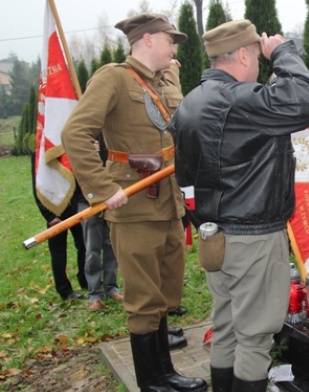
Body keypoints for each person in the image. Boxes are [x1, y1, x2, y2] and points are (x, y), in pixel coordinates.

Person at [169, 19, 309, 392]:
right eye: (256, 56)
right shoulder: (239, 99)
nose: (258, 64)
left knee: (225, 327)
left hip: (215, 238)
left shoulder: (191, 102)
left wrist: (205, 222)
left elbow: (185, 180)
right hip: (253, 236)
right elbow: (307, 101)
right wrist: (283, 53)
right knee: (255, 337)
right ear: (242, 54)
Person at [61, 13, 206, 392]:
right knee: (143, 300)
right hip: (134, 206)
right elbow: (75, 133)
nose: (174, 49)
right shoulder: (113, 77)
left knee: (163, 295)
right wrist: (103, 187)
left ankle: (166, 373)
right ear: (149, 40)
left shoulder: (161, 81)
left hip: (168, 203)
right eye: (170, 40)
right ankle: (152, 382)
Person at [31, 152, 87, 301]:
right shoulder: (41, 151)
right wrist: (49, 216)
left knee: (84, 245)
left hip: (76, 206)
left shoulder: (68, 146)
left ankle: (85, 280)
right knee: (58, 252)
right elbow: (38, 185)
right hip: (54, 210)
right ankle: (64, 290)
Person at [78, 136, 123, 312]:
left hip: (111, 198)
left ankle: (112, 288)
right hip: (88, 201)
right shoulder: (80, 136)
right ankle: (94, 295)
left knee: (111, 245)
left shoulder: (109, 134)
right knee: (92, 250)